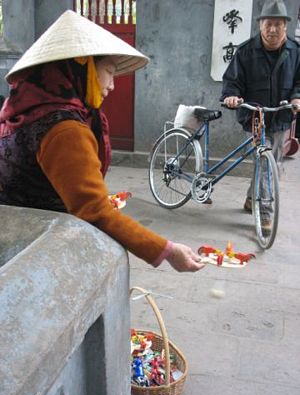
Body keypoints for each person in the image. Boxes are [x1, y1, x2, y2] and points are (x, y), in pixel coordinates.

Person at [0, 10, 205, 273]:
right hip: (33, 251)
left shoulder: (27, 108)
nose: (111, 85)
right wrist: (167, 250)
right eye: (108, 71)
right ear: (82, 66)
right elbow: (93, 210)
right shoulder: (63, 128)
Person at [221, 0, 300, 220]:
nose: (273, 29)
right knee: (264, 160)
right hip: (255, 116)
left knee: (269, 161)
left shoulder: (295, 52)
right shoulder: (246, 51)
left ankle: (250, 199)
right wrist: (232, 96)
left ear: (285, 26)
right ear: (260, 25)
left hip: (282, 114)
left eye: (278, 24)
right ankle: (265, 212)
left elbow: (299, 82)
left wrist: (296, 97)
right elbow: (232, 80)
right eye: (268, 24)